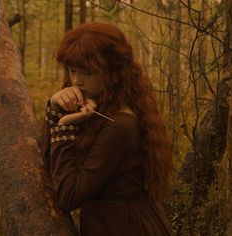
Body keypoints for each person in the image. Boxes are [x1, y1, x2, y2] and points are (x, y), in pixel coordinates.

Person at [41, 22, 174, 236]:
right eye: (72, 70)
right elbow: (49, 164)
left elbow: (68, 196)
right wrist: (55, 109)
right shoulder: (101, 108)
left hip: (125, 228)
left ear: (113, 73)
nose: (76, 80)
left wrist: (64, 126)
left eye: (87, 72)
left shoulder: (121, 125)